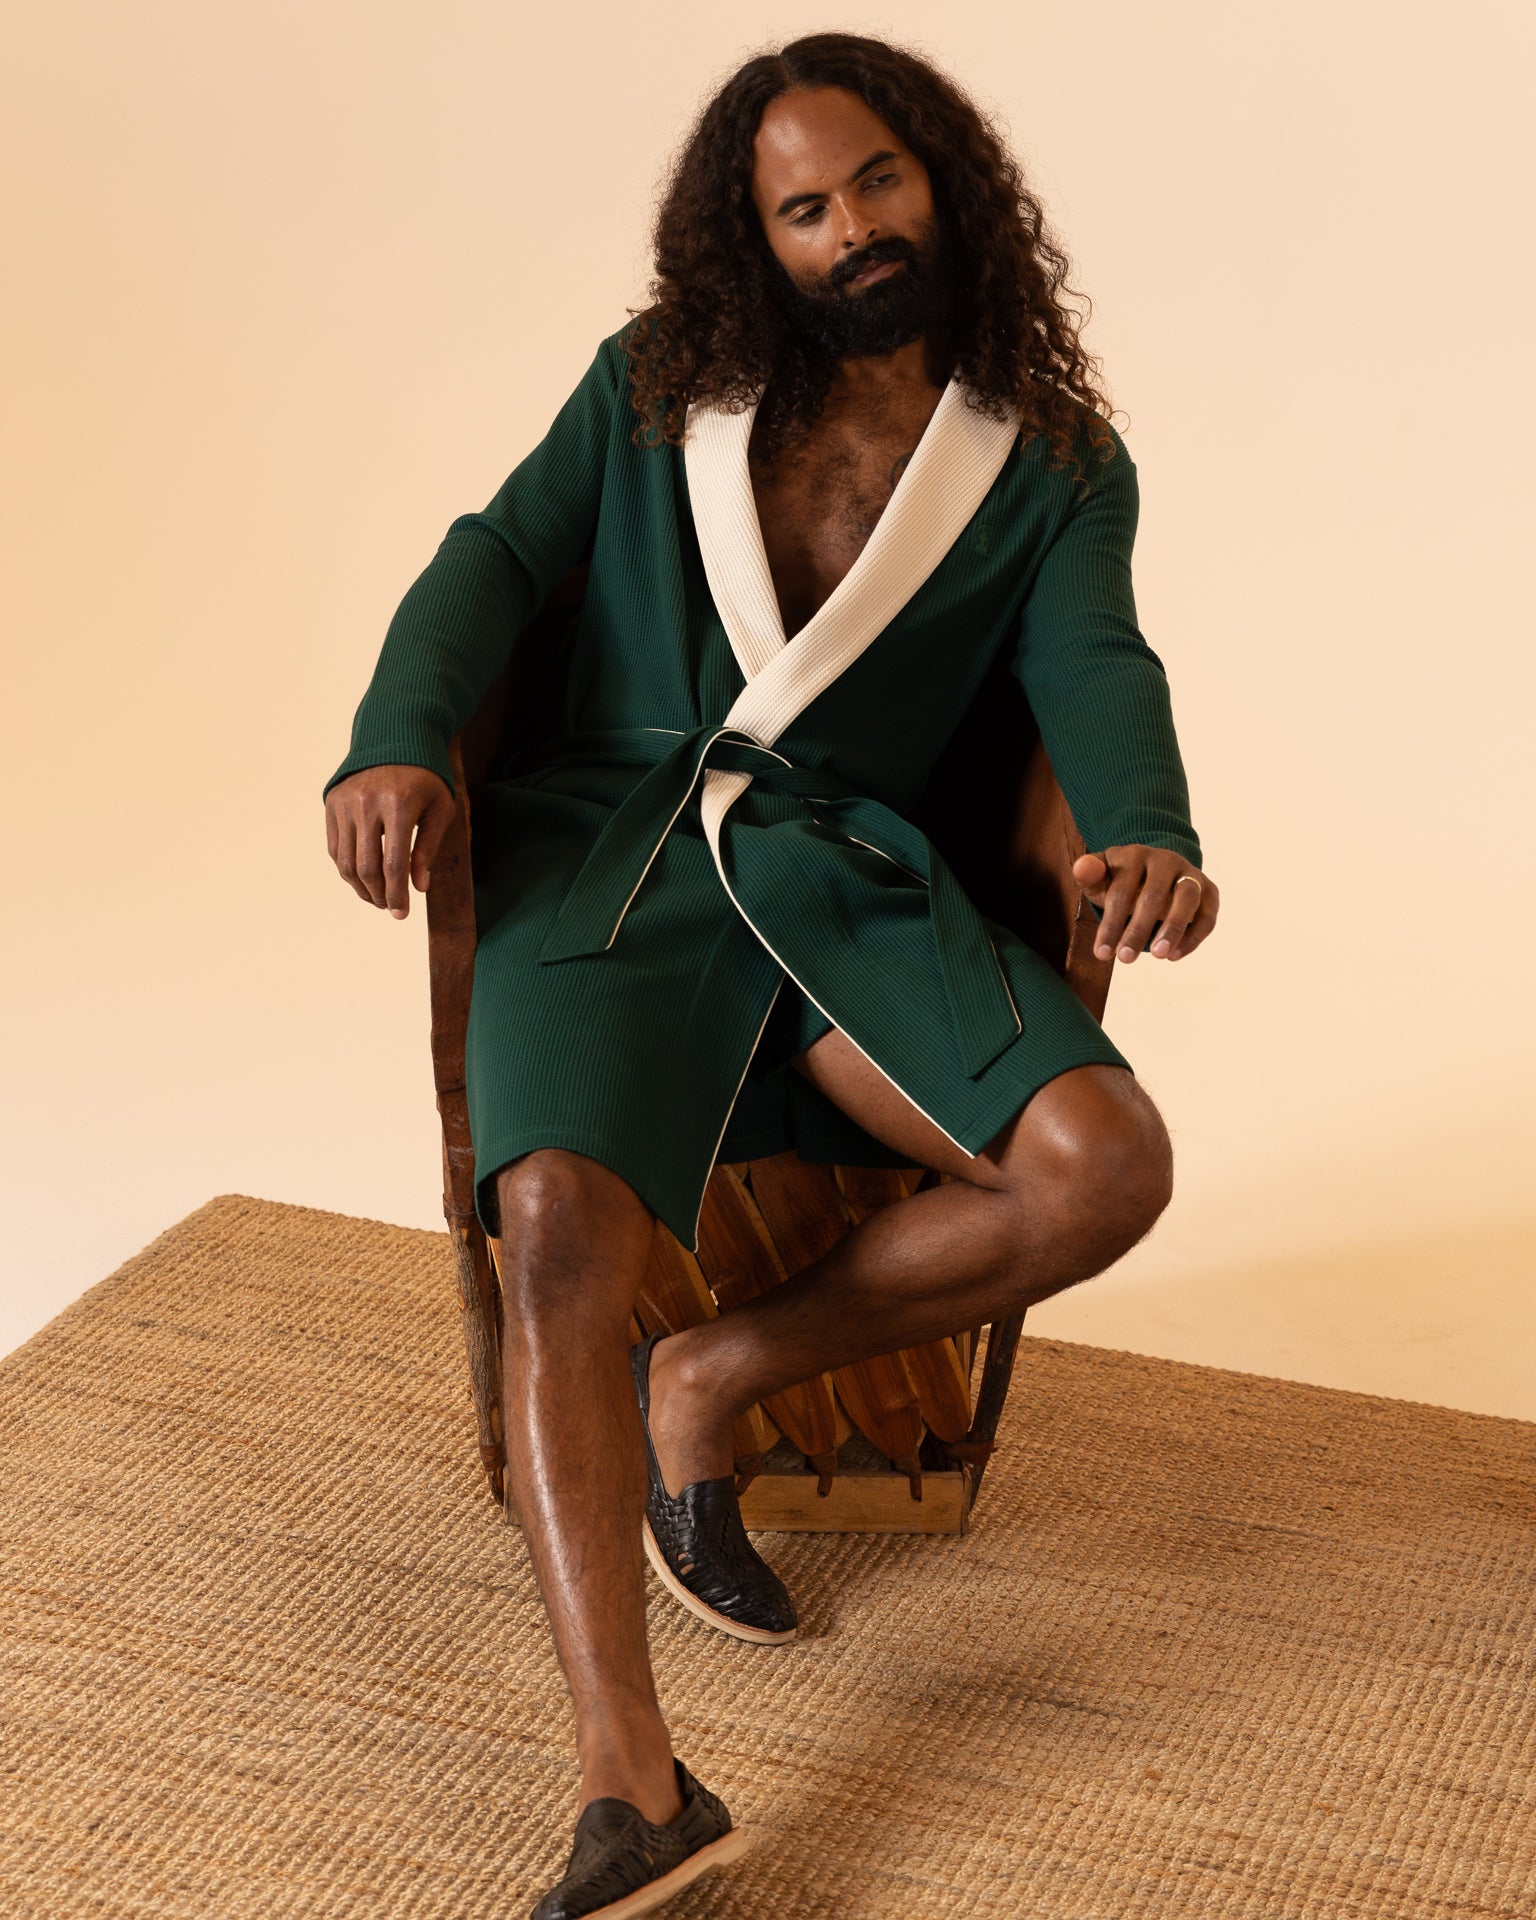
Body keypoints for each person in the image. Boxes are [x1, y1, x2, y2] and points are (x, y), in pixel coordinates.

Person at [323, 31, 1218, 1920]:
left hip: (834, 878)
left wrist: (1144, 822)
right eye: (802, 209)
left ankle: (713, 1376)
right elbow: (492, 563)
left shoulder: (1050, 461)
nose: (849, 230)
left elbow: (1097, 666)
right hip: (608, 858)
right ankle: (633, 1788)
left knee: (1102, 1167)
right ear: (756, 239)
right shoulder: (661, 384)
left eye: (876, 182)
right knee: (558, 1218)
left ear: (944, 178)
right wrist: (397, 737)